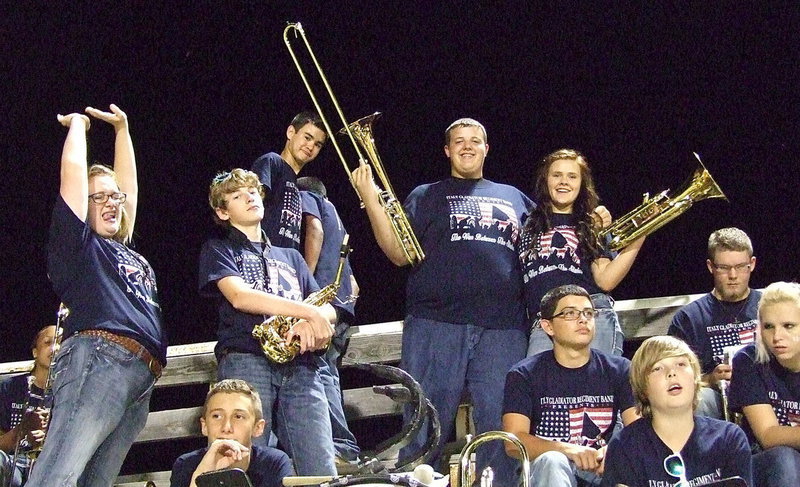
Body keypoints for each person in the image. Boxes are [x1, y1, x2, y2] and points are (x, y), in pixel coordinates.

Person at [352, 118, 535, 483]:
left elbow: (547, 240)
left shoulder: (515, 197)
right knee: (423, 425)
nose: (467, 146)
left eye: (475, 140)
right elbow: (398, 254)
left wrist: (591, 216)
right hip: (434, 324)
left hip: (503, 327)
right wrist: (370, 199)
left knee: (501, 427)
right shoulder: (425, 195)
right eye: (459, 141)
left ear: (486, 148)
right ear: (447, 150)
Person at [27, 105, 167, 487]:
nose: (111, 203)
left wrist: (123, 130)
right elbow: (72, 174)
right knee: (57, 474)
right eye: (98, 197)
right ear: (81, 207)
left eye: (114, 197)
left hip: (140, 376)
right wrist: (78, 127)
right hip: (99, 361)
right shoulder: (80, 245)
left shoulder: (124, 247)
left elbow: (129, 189)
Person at [198, 168, 336, 476]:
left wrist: (311, 321)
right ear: (223, 211)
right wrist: (307, 312)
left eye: (252, 192)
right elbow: (240, 296)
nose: (249, 197)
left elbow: (325, 308)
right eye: (237, 196)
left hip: (302, 366)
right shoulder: (219, 249)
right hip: (247, 360)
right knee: (240, 461)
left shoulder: (292, 257)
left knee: (320, 466)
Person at [503, 285, 639, 487]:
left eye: (588, 313)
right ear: (548, 326)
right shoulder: (524, 374)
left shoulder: (619, 369)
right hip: (546, 472)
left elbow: (639, 428)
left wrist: (615, 451)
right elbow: (513, 442)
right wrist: (568, 450)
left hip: (600, 469)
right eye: (570, 314)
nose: (583, 319)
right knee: (553, 460)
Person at [523, 149, 644, 358]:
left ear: (581, 184)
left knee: (597, 389)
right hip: (545, 321)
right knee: (543, 389)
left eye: (572, 176)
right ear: (545, 181)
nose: (564, 182)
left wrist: (641, 233)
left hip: (590, 314)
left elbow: (606, 280)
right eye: (556, 175)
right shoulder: (526, 222)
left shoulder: (591, 225)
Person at [602, 336, 752, 487]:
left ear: (695, 378)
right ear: (643, 388)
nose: (672, 373)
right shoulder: (625, 447)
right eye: (657, 368)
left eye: (681, 364)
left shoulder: (729, 439)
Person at [296, 176, 360, 463]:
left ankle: (340, 446)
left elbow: (314, 230)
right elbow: (354, 283)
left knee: (319, 371)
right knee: (329, 372)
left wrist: (303, 284)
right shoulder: (338, 216)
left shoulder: (310, 199)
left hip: (320, 304)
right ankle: (342, 446)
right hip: (341, 306)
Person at [668, 227, 759, 419]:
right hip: (717, 399)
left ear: (752, 264)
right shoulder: (689, 318)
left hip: (767, 395)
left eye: (741, 266)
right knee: (699, 398)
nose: (733, 275)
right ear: (711, 267)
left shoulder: (769, 308)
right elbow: (673, 375)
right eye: (724, 268)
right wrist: (711, 379)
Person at [728, 281, 800, 487]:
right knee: (784, 459)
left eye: (788, 326)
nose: (777, 336)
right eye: (769, 327)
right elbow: (768, 434)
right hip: (767, 461)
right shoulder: (749, 361)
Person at [170, 379, 293, 487]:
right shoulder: (185, 465)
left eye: (238, 416)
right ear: (204, 426)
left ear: (258, 427)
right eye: (217, 416)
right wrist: (201, 473)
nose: (226, 427)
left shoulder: (273, 463)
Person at [251, 112, 327, 249]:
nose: (311, 147)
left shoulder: (299, 186)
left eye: (318, 145)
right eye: (307, 137)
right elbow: (250, 206)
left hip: (287, 264)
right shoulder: (272, 161)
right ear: (291, 132)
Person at [0, 326, 58, 487]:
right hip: (13, 464)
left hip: (51, 468)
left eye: (60, 343)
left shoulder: (69, 393)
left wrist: (44, 440)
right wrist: (22, 430)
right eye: (48, 342)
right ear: (35, 352)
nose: (55, 348)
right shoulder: (10, 387)